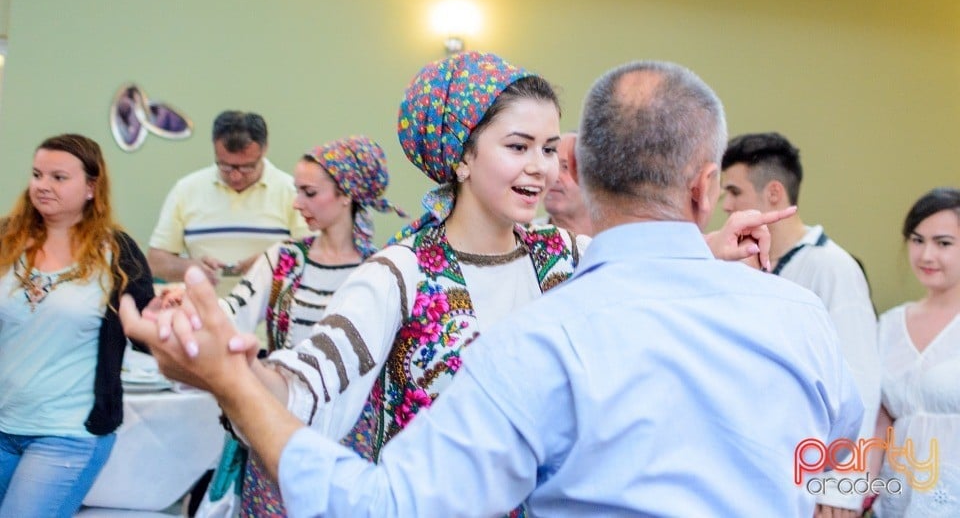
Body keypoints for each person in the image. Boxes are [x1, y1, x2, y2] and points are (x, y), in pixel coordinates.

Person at [121, 59, 861, 517]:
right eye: (516, 147)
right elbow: (311, 378)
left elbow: (636, 275)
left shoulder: (561, 255)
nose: (540, 169)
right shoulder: (402, 274)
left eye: (549, 148)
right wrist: (237, 372)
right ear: (460, 158)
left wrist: (705, 252)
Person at [218, 135, 406, 516]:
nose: (297, 203)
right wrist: (193, 309)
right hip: (280, 416)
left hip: (354, 427)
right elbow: (231, 310)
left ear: (347, 195)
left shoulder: (384, 268)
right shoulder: (285, 259)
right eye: (297, 191)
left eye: (309, 192)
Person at [721, 131, 880, 518]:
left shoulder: (830, 266)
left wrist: (842, 488)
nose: (725, 205)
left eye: (734, 191)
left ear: (773, 193)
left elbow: (860, 377)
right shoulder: (745, 263)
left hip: (814, 480)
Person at [0, 134, 154, 517]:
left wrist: (169, 314)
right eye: (37, 175)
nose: (42, 185)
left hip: (67, 433)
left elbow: (148, 335)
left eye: (58, 177)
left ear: (91, 187)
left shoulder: (117, 253)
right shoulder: (6, 238)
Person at [147, 110, 310, 295]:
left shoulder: (291, 191)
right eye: (225, 166)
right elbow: (156, 262)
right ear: (214, 149)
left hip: (271, 319)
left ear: (264, 150)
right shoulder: (186, 190)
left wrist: (270, 263)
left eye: (247, 167)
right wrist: (190, 268)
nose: (235, 175)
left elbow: (314, 255)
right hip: (205, 316)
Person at [874, 187, 960, 517]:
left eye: (943, 243)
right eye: (917, 239)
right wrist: (850, 495)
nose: (926, 255)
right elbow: (878, 427)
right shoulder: (889, 325)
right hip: (898, 501)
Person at [540, 132, 594, 236]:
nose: (554, 177)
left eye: (566, 167)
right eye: (550, 167)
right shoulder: (523, 239)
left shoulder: (617, 243)